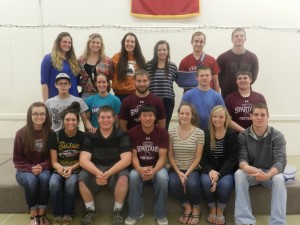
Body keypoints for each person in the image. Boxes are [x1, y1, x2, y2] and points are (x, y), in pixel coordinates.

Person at [78, 105, 132, 225]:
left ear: (114, 119)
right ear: (98, 119)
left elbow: (126, 159)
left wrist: (107, 173)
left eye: (109, 117)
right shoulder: (90, 135)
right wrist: (98, 173)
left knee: (124, 178)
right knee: (81, 178)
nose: (106, 120)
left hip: (115, 168)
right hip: (95, 169)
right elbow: (83, 160)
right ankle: (90, 210)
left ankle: (117, 211)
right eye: (102, 117)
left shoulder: (122, 134)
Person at [234, 103, 287, 225]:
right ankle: (244, 221)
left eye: (262, 115)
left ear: (268, 116)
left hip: (269, 173)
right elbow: (242, 159)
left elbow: (281, 161)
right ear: (251, 116)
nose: (259, 117)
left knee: (279, 179)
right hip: (251, 173)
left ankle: (277, 222)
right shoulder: (243, 136)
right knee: (239, 174)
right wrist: (247, 168)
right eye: (256, 114)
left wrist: (268, 175)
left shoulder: (278, 136)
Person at [125, 104, 169, 225]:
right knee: (133, 177)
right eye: (144, 115)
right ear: (139, 117)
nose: (147, 118)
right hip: (139, 166)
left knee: (163, 178)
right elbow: (133, 156)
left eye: (150, 115)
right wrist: (140, 169)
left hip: (157, 167)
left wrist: (154, 171)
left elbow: (162, 157)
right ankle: (135, 213)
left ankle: (160, 215)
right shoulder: (132, 133)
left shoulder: (163, 133)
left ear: (155, 117)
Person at [13, 102, 53, 225]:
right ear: (30, 115)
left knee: (44, 178)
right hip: (24, 171)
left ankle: (42, 213)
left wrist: (41, 166)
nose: (39, 116)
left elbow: (51, 158)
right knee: (31, 180)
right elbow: (17, 159)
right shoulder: (21, 133)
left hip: (44, 168)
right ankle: (34, 215)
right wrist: (31, 168)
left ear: (46, 116)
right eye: (35, 113)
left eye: (42, 114)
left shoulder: (51, 133)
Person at [49, 102, 89, 225]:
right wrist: (60, 168)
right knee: (53, 184)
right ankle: (57, 213)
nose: (70, 122)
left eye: (73, 120)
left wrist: (71, 168)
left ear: (78, 121)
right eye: (67, 119)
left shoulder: (83, 137)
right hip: (58, 168)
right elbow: (53, 161)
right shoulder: (55, 136)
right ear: (63, 120)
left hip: (75, 169)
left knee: (71, 184)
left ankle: (68, 213)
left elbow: (82, 160)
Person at [200, 105, 239, 225]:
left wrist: (219, 175)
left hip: (226, 170)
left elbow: (232, 159)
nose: (217, 119)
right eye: (215, 116)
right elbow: (202, 158)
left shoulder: (232, 134)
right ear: (211, 118)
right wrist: (210, 171)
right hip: (209, 170)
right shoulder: (206, 133)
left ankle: (220, 211)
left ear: (226, 118)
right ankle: (212, 209)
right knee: (206, 182)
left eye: (221, 116)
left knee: (225, 184)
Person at [168, 103, 204, 224]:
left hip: (192, 168)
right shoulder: (171, 132)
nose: (184, 116)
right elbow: (170, 156)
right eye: (182, 113)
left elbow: (198, 158)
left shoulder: (199, 133)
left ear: (192, 115)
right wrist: (179, 173)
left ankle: (196, 207)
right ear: (178, 115)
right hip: (176, 168)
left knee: (192, 184)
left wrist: (186, 174)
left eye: (187, 113)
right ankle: (187, 206)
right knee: (172, 183)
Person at [217, 28, 259, 99]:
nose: (239, 38)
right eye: (236, 36)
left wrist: (243, 86)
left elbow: (253, 77)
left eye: (241, 36)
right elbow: (217, 78)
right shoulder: (222, 58)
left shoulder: (252, 57)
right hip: (226, 95)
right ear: (232, 39)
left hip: (245, 95)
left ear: (245, 39)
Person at [146, 40, 178, 130]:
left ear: (168, 51)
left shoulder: (173, 66)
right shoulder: (148, 66)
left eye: (164, 50)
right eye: (159, 50)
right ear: (156, 52)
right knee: (150, 126)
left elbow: (180, 81)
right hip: (152, 101)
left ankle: (163, 144)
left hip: (168, 101)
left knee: (164, 128)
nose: (162, 52)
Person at [181, 65, 224, 130]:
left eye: (207, 75)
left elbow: (223, 116)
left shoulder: (217, 96)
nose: (204, 78)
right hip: (192, 132)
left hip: (211, 132)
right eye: (201, 75)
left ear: (211, 77)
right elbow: (182, 115)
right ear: (196, 77)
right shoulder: (188, 95)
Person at [41, 32, 81, 101]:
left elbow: (77, 81)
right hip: (56, 101)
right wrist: (46, 103)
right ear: (58, 43)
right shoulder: (48, 59)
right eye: (64, 42)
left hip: (73, 101)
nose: (67, 44)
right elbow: (44, 83)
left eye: (69, 42)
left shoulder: (74, 61)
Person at [111, 32, 146, 101]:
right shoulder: (116, 57)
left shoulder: (141, 59)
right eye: (127, 41)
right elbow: (110, 74)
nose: (130, 44)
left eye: (132, 42)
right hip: (119, 95)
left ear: (136, 44)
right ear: (123, 42)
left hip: (136, 94)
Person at [78, 33, 113, 99]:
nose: (95, 45)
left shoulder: (107, 61)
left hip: (103, 95)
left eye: (98, 43)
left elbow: (111, 77)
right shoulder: (81, 60)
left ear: (101, 45)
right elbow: (77, 77)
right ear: (89, 44)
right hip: (86, 95)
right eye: (93, 42)